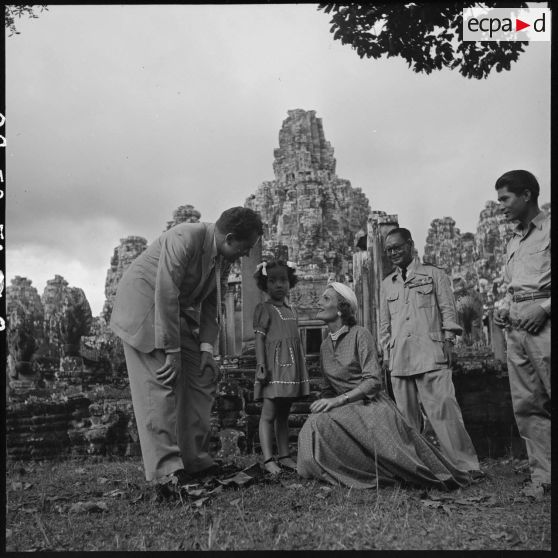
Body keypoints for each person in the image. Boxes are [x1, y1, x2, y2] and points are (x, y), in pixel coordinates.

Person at [110, 207, 263, 486]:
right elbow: (165, 291)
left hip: (172, 314)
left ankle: (195, 461)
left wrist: (206, 349)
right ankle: (165, 470)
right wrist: (172, 351)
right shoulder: (185, 237)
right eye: (245, 248)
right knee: (161, 382)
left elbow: (211, 303)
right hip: (143, 308)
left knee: (202, 374)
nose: (246, 255)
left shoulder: (223, 257)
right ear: (229, 238)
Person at [297, 282, 472, 489]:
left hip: (369, 405)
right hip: (342, 408)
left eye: (326, 299)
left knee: (319, 423)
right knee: (313, 424)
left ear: (340, 308)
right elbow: (328, 388)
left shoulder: (360, 334)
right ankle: (338, 468)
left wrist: (339, 400)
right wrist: (324, 402)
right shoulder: (325, 345)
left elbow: (373, 381)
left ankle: (367, 472)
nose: (319, 302)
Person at [379, 228, 482, 476]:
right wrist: (386, 353)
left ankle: (466, 467)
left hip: (431, 353)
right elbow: (384, 324)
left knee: (445, 410)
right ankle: (419, 469)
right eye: (389, 249)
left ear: (410, 245)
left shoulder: (434, 274)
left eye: (397, 247)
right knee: (407, 420)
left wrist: (448, 341)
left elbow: (448, 312)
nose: (393, 252)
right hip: (400, 357)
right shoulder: (386, 284)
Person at [492, 170, 550, 499]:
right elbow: (513, 286)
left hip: (545, 323)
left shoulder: (551, 229)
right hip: (517, 326)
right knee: (528, 406)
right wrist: (504, 306)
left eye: (505, 199)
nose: (501, 206)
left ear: (526, 195)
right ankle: (544, 479)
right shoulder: (514, 240)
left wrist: (544, 309)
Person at [253, 260, 310, 475]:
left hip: (289, 369)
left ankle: (284, 455)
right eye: (273, 281)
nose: (279, 285)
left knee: (284, 414)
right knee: (269, 413)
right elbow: (259, 340)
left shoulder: (290, 310)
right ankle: (268, 458)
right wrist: (260, 365)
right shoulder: (264, 309)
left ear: (290, 283)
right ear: (265, 285)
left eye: (283, 280)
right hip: (272, 368)